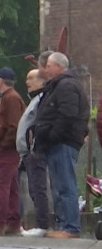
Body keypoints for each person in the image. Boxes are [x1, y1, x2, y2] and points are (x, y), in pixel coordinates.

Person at [33, 52, 88, 238]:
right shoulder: (59, 86)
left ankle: (70, 227)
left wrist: (52, 135)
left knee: (65, 185)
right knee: (58, 186)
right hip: (57, 142)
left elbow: (68, 114)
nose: (46, 69)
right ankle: (63, 224)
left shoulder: (66, 86)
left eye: (48, 65)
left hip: (63, 142)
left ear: (58, 66)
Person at [0, 67, 26, 236]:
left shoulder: (10, 98)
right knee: (12, 186)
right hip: (9, 149)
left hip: (7, 150)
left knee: (2, 185)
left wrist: (2, 144)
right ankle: (13, 222)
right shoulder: (12, 97)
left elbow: (13, 126)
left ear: (0, 80)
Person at [15, 67, 50, 236]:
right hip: (28, 152)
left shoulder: (42, 99)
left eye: (31, 78)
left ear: (42, 81)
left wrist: (32, 143)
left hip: (35, 150)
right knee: (33, 188)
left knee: (38, 187)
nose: (27, 82)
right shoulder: (35, 99)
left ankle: (42, 225)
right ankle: (40, 224)